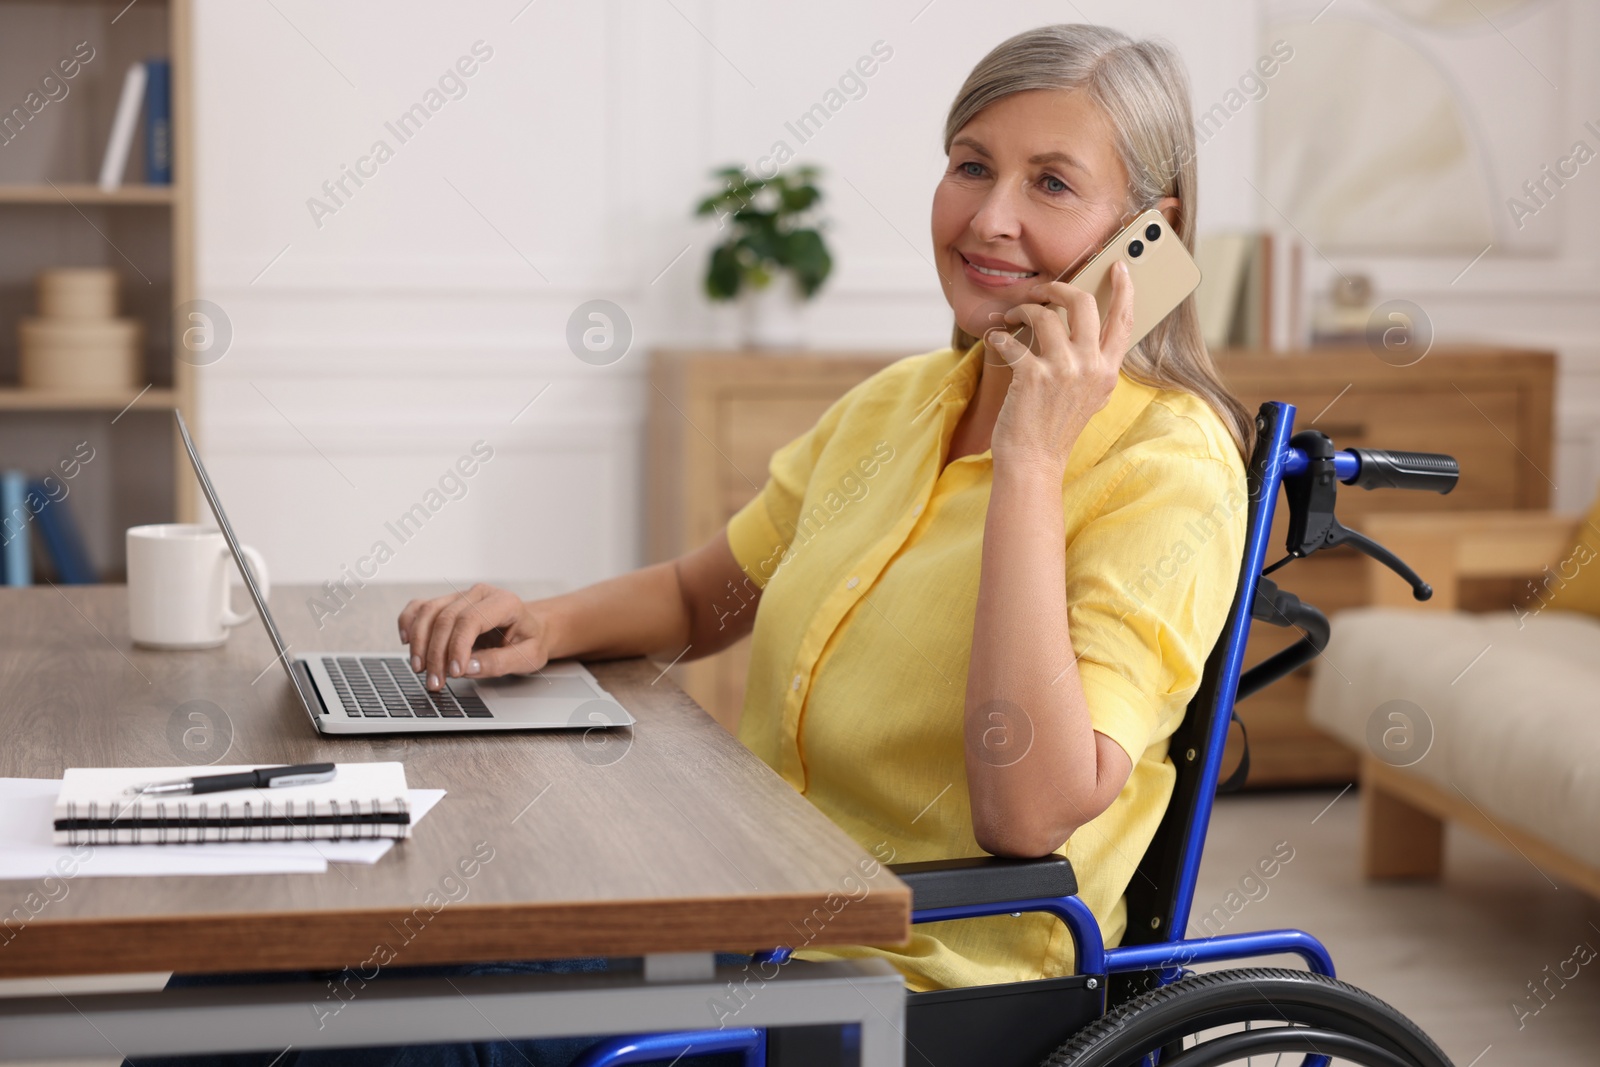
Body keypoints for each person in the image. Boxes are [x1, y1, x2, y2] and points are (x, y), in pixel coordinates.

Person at [141, 21, 1250, 1067]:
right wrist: (546, 622)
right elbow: (705, 596)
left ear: (1151, 232)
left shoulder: (1168, 472)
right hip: (736, 901)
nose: (987, 217)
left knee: (329, 1032)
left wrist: (1031, 459)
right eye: (969, 164)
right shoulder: (898, 402)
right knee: (261, 959)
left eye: (1050, 183)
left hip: (907, 976)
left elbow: (1024, 811)